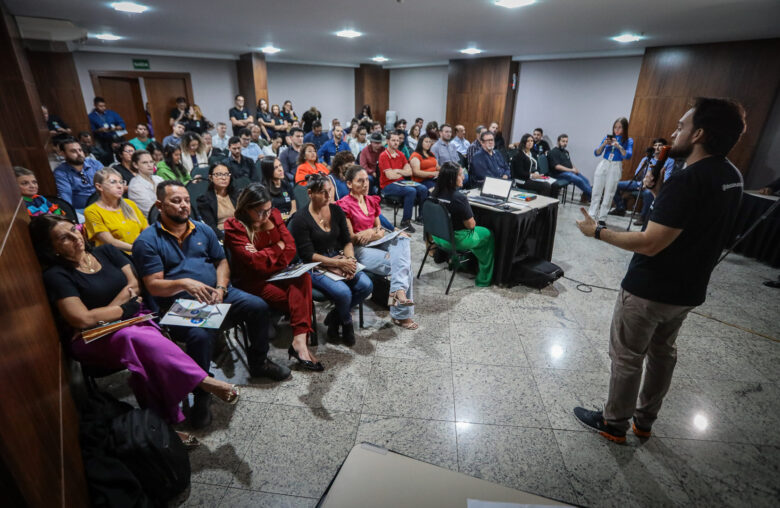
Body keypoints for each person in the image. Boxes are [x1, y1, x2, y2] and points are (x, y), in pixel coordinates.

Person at [573, 97, 746, 444]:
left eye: (681, 126)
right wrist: (656, 191)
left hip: (650, 290)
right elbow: (691, 222)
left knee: (627, 356)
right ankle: (644, 421)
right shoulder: (732, 176)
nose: (673, 132)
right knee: (663, 354)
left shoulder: (688, 180)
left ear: (698, 133)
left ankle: (614, 423)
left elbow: (651, 242)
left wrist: (598, 232)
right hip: (688, 291)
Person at [31, 214, 238, 433]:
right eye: (64, 237)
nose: (76, 237)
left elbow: (135, 286)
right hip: (94, 339)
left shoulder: (106, 252)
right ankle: (202, 381)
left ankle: (164, 426)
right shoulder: (57, 275)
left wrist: (108, 314)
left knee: (142, 354)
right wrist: (122, 308)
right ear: (51, 248)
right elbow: (80, 318)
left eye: (74, 229)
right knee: (133, 338)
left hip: (130, 319)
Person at [133, 181, 289, 426]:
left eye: (186, 199)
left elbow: (221, 262)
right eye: (176, 201)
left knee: (257, 306)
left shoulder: (201, 230)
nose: (184, 205)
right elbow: (153, 285)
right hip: (180, 304)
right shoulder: (148, 241)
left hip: (217, 294)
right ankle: (202, 391)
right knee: (199, 335)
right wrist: (185, 283)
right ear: (159, 205)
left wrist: (221, 287)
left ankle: (259, 362)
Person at [224, 184, 321, 370]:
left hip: (277, 272)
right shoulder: (234, 227)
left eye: (268, 209)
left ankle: (299, 341)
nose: (265, 216)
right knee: (297, 300)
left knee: (304, 279)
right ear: (246, 209)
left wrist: (264, 254)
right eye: (260, 212)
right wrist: (278, 246)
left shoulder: (274, 214)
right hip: (251, 281)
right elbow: (254, 264)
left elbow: (291, 248)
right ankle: (300, 341)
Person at [289, 174, 372, 346]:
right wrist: (339, 263)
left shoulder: (336, 210)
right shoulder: (300, 218)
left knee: (366, 285)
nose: (328, 196)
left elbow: (347, 240)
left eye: (330, 191)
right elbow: (307, 255)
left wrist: (350, 261)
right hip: (313, 265)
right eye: (323, 192)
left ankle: (335, 318)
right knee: (343, 293)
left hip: (337, 255)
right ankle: (346, 323)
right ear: (310, 193)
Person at [338, 165, 418, 329]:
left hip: (375, 242)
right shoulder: (344, 205)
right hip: (357, 249)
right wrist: (372, 232)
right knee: (403, 265)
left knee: (402, 239)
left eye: (367, 180)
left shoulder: (371, 200)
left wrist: (372, 232)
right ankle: (400, 313)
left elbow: (380, 230)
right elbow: (352, 238)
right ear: (349, 184)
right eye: (360, 181)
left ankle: (397, 292)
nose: (365, 184)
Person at [431, 162, 495, 287]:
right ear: (451, 178)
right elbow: (471, 225)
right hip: (455, 241)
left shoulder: (433, 193)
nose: (464, 177)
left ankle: (459, 264)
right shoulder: (459, 198)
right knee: (488, 235)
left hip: (438, 237)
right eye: (460, 175)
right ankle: (483, 279)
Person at [609, 138, 674, 226]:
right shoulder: (646, 159)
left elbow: (666, 178)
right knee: (615, 185)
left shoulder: (670, 161)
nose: (657, 147)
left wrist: (654, 174)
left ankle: (643, 217)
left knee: (648, 193)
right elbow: (637, 175)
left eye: (660, 145)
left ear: (664, 148)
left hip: (654, 187)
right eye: (655, 145)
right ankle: (620, 208)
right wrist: (643, 169)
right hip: (640, 183)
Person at [84, 168, 148, 253]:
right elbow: (110, 242)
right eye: (113, 182)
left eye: (121, 182)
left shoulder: (130, 204)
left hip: (141, 251)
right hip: (114, 257)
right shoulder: (92, 211)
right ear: (99, 186)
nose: (120, 186)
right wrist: (138, 249)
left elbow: (147, 230)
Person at [379, 130, 429, 232]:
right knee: (411, 191)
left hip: (401, 182)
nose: (396, 142)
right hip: (387, 185)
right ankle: (405, 222)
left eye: (397, 140)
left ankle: (421, 217)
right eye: (393, 140)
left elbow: (410, 172)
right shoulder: (384, 155)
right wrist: (402, 172)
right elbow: (390, 176)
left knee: (423, 188)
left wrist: (397, 171)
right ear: (388, 141)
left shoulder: (400, 154)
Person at [590, 117, 634, 225]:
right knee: (596, 190)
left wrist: (619, 146)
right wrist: (604, 144)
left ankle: (602, 218)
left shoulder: (628, 140)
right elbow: (597, 153)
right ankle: (591, 215)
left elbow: (627, 155)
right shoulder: (607, 138)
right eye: (615, 127)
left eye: (620, 127)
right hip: (604, 163)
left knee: (609, 193)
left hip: (615, 165)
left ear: (625, 129)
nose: (617, 130)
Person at [54, 138, 103, 211]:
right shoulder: (61, 172)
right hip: (82, 210)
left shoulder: (95, 164)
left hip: (104, 204)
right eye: (73, 151)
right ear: (63, 154)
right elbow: (66, 196)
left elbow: (108, 184)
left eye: (80, 150)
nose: (79, 153)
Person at [511, 133, 562, 198]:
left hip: (532, 178)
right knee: (546, 186)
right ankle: (543, 207)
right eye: (528, 141)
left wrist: (536, 173)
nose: (530, 143)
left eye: (532, 141)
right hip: (522, 180)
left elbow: (537, 167)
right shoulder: (519, 155)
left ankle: (552, 207)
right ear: (524, 142)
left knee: (555, 184)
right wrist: (532, 175)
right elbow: (519, 172)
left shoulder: (533, 154)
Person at [196, 162, 238, 240]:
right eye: (219, 174)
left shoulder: (237, 195)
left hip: (240, 231)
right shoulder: (204, 200)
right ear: (211, 178)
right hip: (222, 235)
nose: (224, 178)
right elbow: (210, 226)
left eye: (226, 174)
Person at [547, 134, 593, 203]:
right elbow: (557, 166)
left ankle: (589, 197)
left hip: (568, 172)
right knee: (579, 180)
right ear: (558, 141)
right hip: (558, 174)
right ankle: (595, 198)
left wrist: (575, 169)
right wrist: (571, 170)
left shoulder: (566, 152)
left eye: (566, 141)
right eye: (563, 141)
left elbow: (569, 162)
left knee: (585, 180)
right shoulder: (553, 152)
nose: (565, 143)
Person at [128, 150, 163, 218]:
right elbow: (151, 211)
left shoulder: (158, 179)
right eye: (145, 162)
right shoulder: (135, 187)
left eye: (151, 162)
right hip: (151, 222)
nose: (150, 165)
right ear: (135, 165)